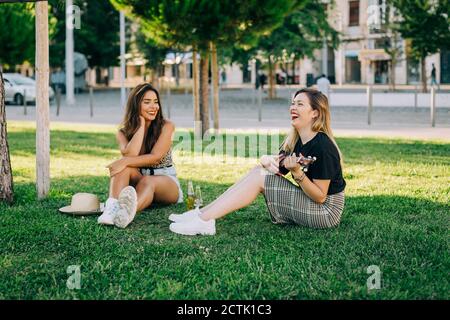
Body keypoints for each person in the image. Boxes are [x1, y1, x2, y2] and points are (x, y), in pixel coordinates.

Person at [169, 88, 346, 236]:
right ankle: (201, 215)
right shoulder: (296, 140)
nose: (293, 107)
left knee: (261, 178)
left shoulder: (323, 146)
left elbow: (321, 197)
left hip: (326, 212)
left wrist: (298, 173)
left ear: (315, 112)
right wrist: (265, 160)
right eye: (292, 103)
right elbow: (276, 169)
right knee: (258, 172)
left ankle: (204, 221)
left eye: (300, 104)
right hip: (314, 204)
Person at [97, 83, 183, 228]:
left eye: (156, 102)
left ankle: (124, 213)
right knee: (123, 168)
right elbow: (131, 154)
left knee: (142, 176)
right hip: (141, 179)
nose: (154, 106)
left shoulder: (166, 126)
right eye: (147, 102)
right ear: (136, 105)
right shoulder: (123, 132)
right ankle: (112, 208)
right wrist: (141, 125)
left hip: (166, 183)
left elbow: (156, 157)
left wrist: (124, 161)